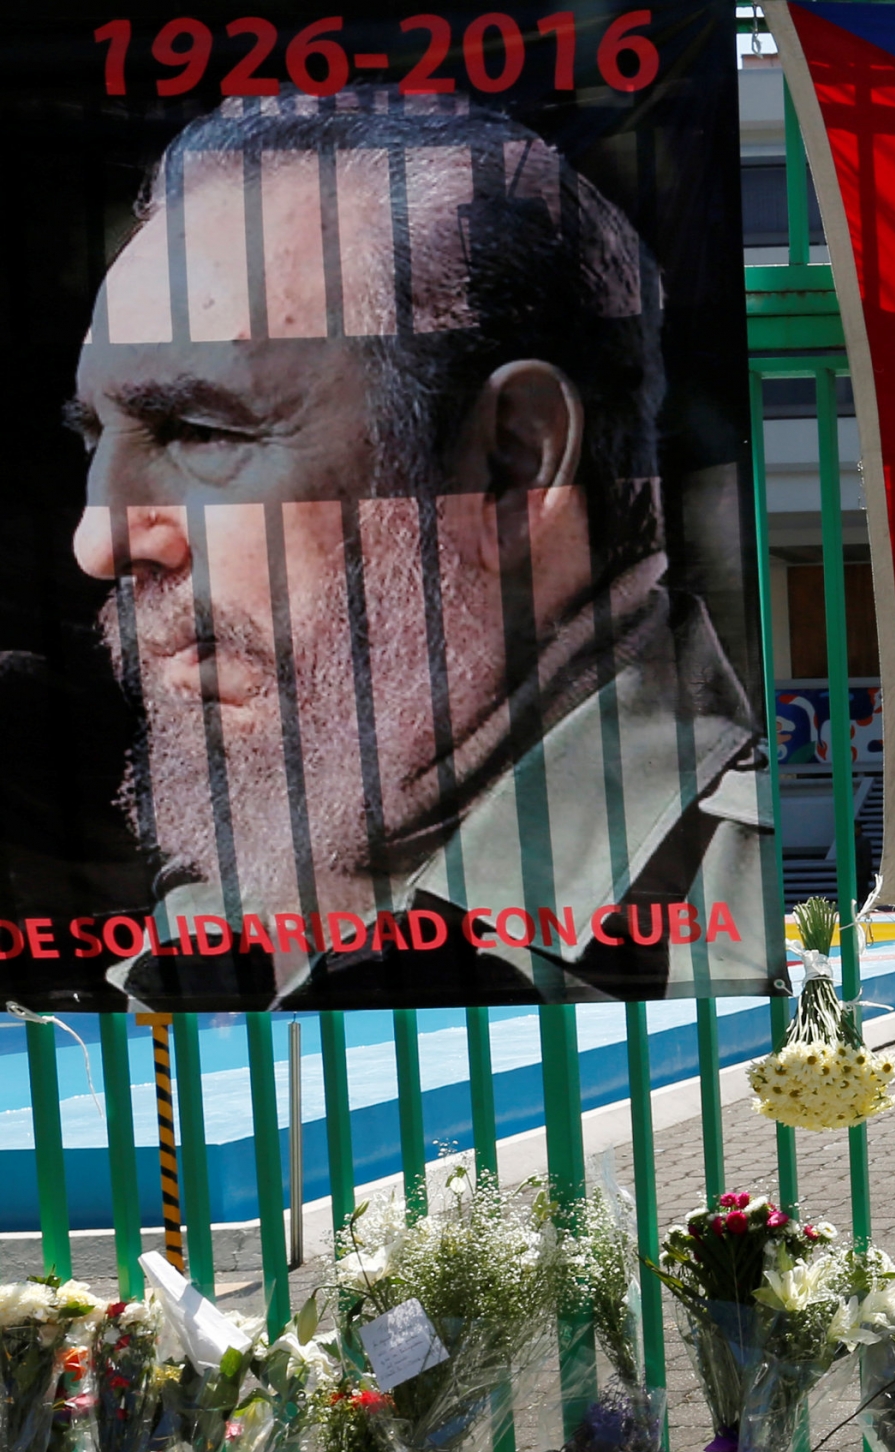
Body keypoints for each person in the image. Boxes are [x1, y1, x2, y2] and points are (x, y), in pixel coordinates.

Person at [65, 90, 767, 1008]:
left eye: (201, 432)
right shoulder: (203, 925)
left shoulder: (784, 900)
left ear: (510, 466)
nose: (100, 541)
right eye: (95, 438)